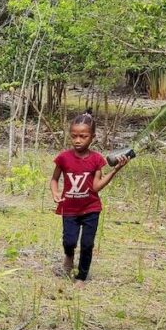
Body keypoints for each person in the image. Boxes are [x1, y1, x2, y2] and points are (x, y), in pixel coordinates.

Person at [50, 109, 129, 283]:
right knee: (69, 241)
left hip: (90, 209)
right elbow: (54, 179)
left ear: (92, 137)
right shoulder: (63, 158)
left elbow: (96, 186)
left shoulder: (96, 159)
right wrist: (55, 192)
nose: (77, 140)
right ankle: (69, 258)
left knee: (87, 244)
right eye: (74, 136)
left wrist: (116, 170)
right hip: (69, 208)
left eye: (83, 136)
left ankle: (81, 277)